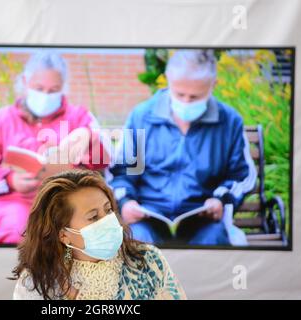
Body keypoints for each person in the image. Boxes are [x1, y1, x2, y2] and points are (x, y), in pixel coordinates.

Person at [109, 49, 257, 246]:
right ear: (168, 79)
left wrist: (221, 200)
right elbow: (123, 173)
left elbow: (241, 176)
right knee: (136, 242)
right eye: (179, 94)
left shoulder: (229, 122)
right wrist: (126, 202)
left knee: (214, 241)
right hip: (147, 218)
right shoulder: (142, 117)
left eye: (195, 97)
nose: (186, 102)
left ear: (213, 85)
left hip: (203, 219)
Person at [0, 51, 109, 244]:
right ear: (26, 82)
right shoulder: (1, 119)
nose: (45, 95)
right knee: (18, 231)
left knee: (73, 231)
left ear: (63, 88)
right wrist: (11, 180)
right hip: (13, 204)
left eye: (53, 90)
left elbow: (104, 168)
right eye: (39, 88)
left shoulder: (80, 117)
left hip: (66, 203)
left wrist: (90, 138)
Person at [11, 169, 186, 300]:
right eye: (93, 217)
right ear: (63, 235)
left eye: (108, 210)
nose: (108, 221)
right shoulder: (37, 281)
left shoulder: (148, 259)